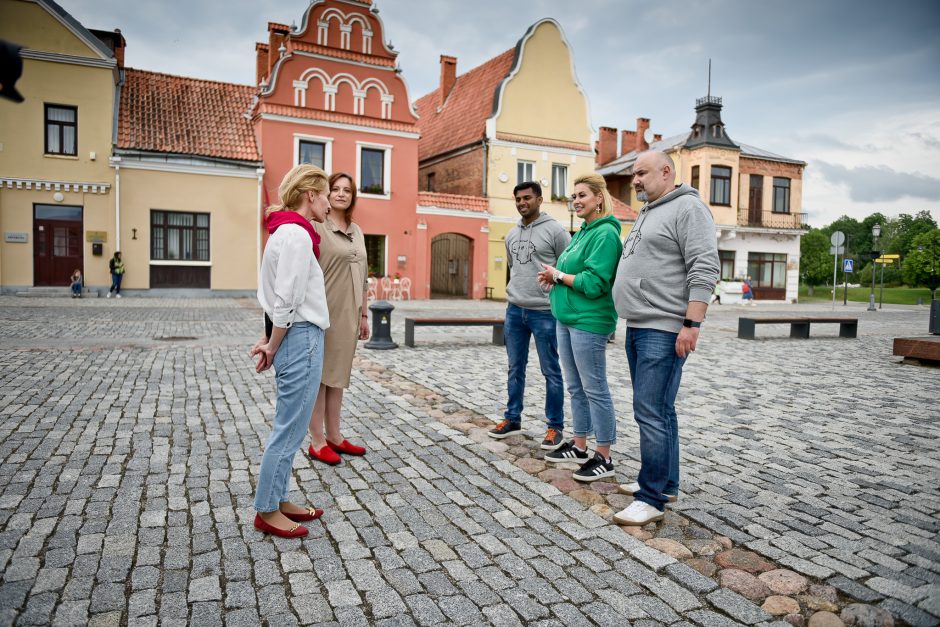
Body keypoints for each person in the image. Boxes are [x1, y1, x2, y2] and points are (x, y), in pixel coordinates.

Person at [611, 151, 719, 526]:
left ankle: (651, 497)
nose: (635, 180)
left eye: (641, 173)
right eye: (633, 174)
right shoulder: (650, 209)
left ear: (666, 171)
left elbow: (704, 266)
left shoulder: (689, 209)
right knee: (662, 410)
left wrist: (692, 323)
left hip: (664, 327)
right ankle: (665, 483)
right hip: (640, 323)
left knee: (650, 411)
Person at [249, 164, 331, 538]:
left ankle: (279, 499)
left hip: (293, 336)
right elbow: (286, 300)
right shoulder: (297, 236)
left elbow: (277, 300)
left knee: (294, 425)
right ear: (310, 194)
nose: (329, 204)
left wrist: (270, 342)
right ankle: (266, 510)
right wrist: (273, 344)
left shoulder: (284, 233)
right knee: (289, 427)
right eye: (326, 195)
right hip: (300, 337)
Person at [537, 174, 623, 482]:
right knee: (575, 387)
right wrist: (552, 277)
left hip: (589, 322)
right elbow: (569, 272)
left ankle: (604, 456)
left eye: (582, 195)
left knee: (595, 388)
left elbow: (594, 283)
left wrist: (558, 276)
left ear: (599, 198)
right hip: (567, 319)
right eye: (574, 196)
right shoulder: (583, 232)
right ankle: (581, 445)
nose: (576, 200)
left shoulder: (606, 235)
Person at [489, 182, 571, 450]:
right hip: (515, 310)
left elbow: (567, 265)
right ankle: (512, 418)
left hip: (545, 312)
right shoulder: (511, 234)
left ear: (539, 199)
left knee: (551, 370)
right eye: (518, 199)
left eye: (527, 198)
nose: (522, 202)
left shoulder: (556, 230)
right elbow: (514, 268)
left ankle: (554, 427)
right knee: (515, 367)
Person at [305, 172, 370, 465]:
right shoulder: (318, 226)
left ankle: (335, 435)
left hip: (350, 312)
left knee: (338, 377)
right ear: (326, 194)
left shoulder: (357, 230)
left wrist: (365, 313)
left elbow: (364, 276)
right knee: (320, 378)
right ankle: (316, 440)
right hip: (324, 310)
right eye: (335, 189)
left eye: (347, 190)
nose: (341, 194)